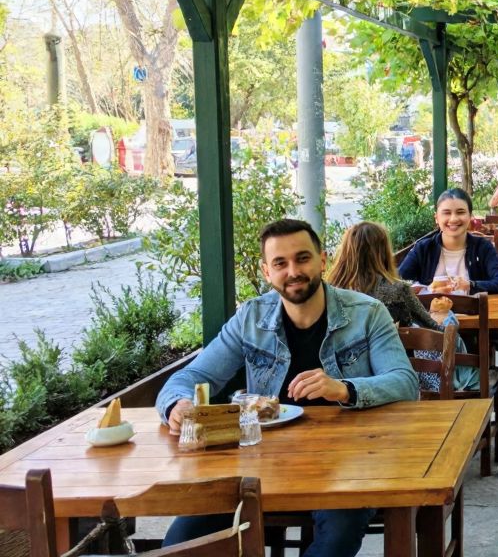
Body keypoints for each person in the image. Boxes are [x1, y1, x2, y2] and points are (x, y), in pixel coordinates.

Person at [157, 219, 418, 557]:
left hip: (351, 461)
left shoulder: (367, 313)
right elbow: (190, 377)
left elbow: (405, 382)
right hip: (264, 463)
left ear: (323, 260)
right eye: (280, 263)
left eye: (302, 258)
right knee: (182, 540)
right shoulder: (251, 318)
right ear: (267, 272)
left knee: (338, 536)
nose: (293, 271)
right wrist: (175, 405)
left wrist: (344, 389)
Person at [329, 221, 478, 393]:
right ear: (384, 252)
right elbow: (433, 330)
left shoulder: (331, 293)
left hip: (344, 382)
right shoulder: (397, 290)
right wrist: (443, 314)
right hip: (392, 378)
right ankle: (469, 383)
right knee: (449, 322)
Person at [397, 188, 498, 294]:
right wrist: (419, 288)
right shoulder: (423, 248)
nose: (453, 219)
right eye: (447, 213)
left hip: (474, 315)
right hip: (431, 317)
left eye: (460, 212)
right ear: (437, 218)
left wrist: (471, 285)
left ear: (470, 217)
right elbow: (397, 282)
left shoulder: (482, 247)